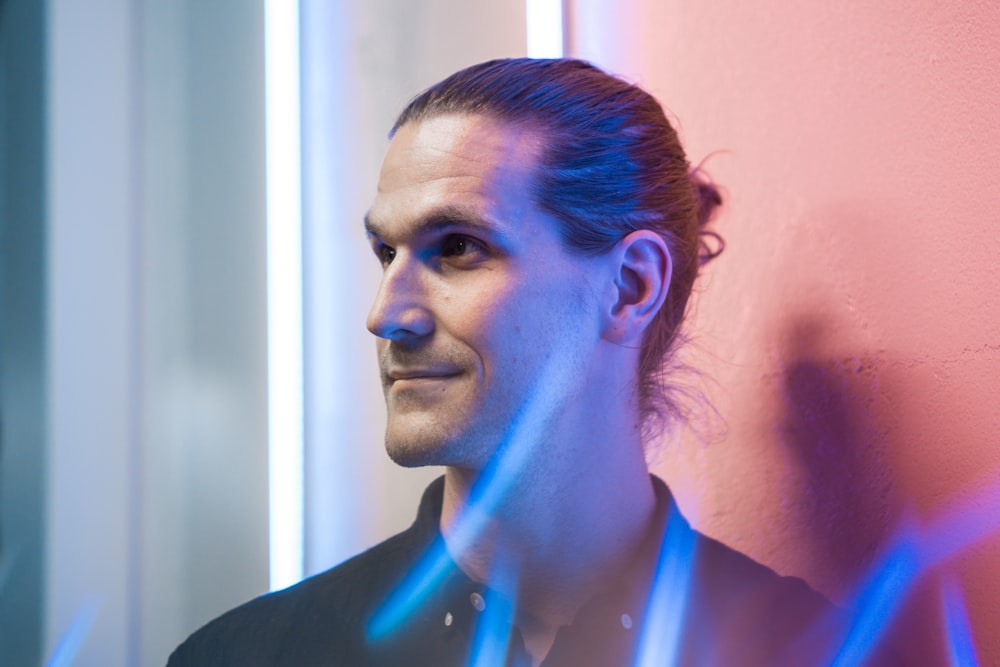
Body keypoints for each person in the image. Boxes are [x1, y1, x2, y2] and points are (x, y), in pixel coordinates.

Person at [168, 58, 898, 666]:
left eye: (456, 246)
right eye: (385, 253)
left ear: (631, 285)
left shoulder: (819, 651)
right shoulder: (249, 655)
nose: (386, 314)